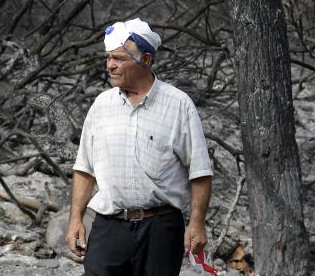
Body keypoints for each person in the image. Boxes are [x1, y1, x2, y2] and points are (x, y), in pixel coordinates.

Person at [66, 18, 213, 276]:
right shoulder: (101, 106)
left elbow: (199, 172)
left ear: (145, 59)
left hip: (160, 228)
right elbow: (84, 169)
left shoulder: (179, 105)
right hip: (108, 227)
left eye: (119, 58)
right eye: (109, 58)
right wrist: (75, 218)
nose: (110, 65)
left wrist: (197, 222)